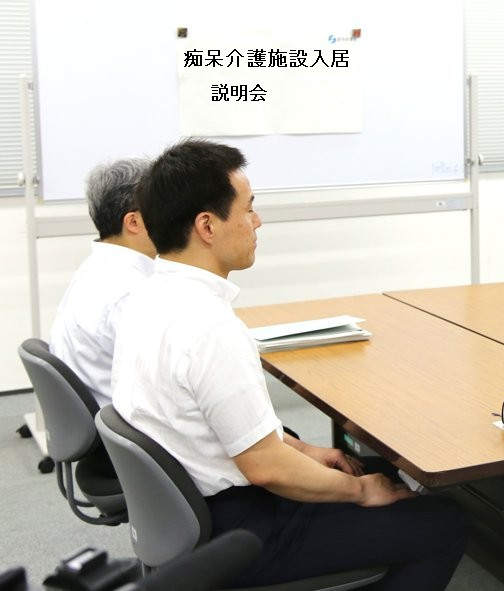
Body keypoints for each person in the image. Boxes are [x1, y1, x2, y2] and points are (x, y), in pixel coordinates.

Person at [111, 139, 467, 590]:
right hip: (240, 533)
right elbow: (266, 468)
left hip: (188, 516)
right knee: (443, 522)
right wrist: (361, 491)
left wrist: (307, 452)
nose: (257, 221)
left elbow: (227, 428)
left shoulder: (144, 300)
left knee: (353, 464)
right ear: (207, 225)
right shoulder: (209, 327)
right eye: (248, 209)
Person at [50, 158, 156, 408]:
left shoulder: (96, 268)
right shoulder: (131, 291)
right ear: (133, 222)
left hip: (100, 414)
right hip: (124, 421)